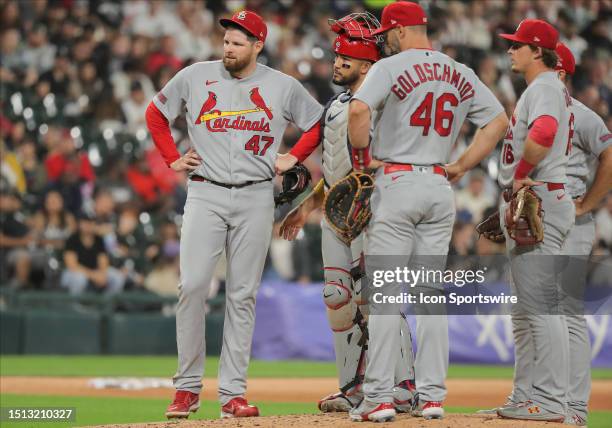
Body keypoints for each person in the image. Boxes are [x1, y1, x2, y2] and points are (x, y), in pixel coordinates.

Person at [145, 10, 323, 420]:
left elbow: (317, 122)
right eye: (226, 40)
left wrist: (294, 156)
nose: (228, 47)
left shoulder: (282, 86)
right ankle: (187, 389)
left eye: (238, 42)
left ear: (258, 46)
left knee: (242, 295)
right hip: (205, 192)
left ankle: (232, 395)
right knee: (191, 287)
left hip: (256, 197)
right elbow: (156, 114)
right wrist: (171, 157)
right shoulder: (195, 75)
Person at [346, 2, 508, 422]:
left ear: (399, 32)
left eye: (386, 34)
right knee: (429, 296)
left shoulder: (391, 66)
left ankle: (380, 398)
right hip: (439, 183)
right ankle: (433, 396)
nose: (384, 40)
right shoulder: (460, 71)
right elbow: (497, 122)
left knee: (386, 295)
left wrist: (362, 160)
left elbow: (359, 110)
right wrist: (461, 165)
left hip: (398, 182)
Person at [276, 12, 416, 414]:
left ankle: (403, 385)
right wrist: (306, 207)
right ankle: (353, 385)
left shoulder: (385, 103)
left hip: (377, 212)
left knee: (375, 299)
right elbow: (333, 167)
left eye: (346, 59)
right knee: (338, 298)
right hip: (338, 216)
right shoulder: (336, 105)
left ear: (368, 65)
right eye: (337, 57)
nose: (336, 64)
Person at [480, 42, 611, 426]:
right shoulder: (545, 102)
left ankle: (571, 406)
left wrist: (587, 203)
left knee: (564, 312)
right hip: (539, 210)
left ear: (560, 72)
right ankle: (527, 396)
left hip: (565, 216)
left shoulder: (578, 112)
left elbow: (608, 155)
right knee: (525, 311)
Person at [491, 20, 574, 422]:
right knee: (526, 312)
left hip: (539, 195)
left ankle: (553, 401)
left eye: (518, 45)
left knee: (541, 307)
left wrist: (521, 171)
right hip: (534, 195)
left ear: (537, 51)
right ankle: (526, 397)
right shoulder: (545, 88)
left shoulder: (542, 87)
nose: (510, 51)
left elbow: (545, 130)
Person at [60, 211, 125, 295]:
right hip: (72, 273)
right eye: (85, 222)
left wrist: (102, 274)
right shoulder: (73, 238)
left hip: (94, 271)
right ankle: (74, 306)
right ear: (80, 223)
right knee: (79, 278)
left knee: (117, 277)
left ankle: (106, 304)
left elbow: (103, 261)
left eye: (91, 222)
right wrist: (93, 275)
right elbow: (72, 265)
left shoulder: (98, 239)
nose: (88, 225)